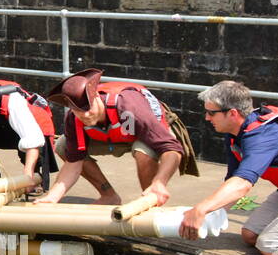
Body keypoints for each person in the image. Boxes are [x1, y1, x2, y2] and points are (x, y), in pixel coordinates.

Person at [181, 80, 278, 255]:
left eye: (211, 113)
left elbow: (243, 184)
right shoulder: (235, 133)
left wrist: (201, 209)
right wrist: (211, 212)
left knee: (270, 246)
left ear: (232, 113)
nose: (206, 118)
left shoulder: (263, 136)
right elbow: (233, 181)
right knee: (250, 235)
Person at [38, 68, 191, 207]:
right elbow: (73, 163)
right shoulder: (73, 118)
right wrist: (52, 197)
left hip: (146, 133)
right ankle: (109, 196)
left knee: (143, 151)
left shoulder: (129, 108)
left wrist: (160, 182)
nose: (85, 115)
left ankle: (151, 200)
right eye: (77, 110)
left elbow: (171, 149)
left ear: (97, 96)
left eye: (88, 107)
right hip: (113, 136)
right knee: (63, 146)